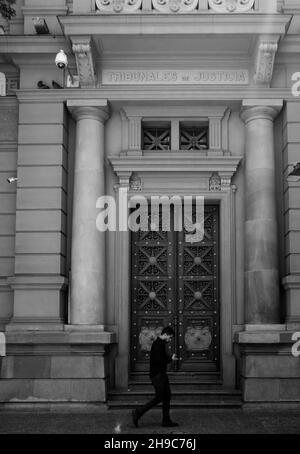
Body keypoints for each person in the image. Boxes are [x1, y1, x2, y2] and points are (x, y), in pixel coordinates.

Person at [132, 326, 179, 428]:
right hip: (158, 375)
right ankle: (138, 412)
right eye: (170, 337)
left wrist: (170, 358)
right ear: (165, 334)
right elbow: (159, 361)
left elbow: (161, 358)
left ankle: (166, 420)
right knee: (160, 397)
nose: (170, 340)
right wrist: (170, 359)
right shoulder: (158, 344)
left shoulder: (160, 344)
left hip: (161, 374)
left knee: (167, 396)